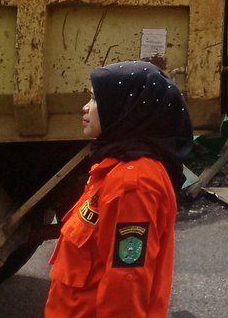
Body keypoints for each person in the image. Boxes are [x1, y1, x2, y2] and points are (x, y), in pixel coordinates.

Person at [46, 61, 191, 318]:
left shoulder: (132, 185)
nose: (85, 107)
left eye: (96, 99)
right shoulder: (113, 167)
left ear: (126, 109)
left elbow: (126, 285)